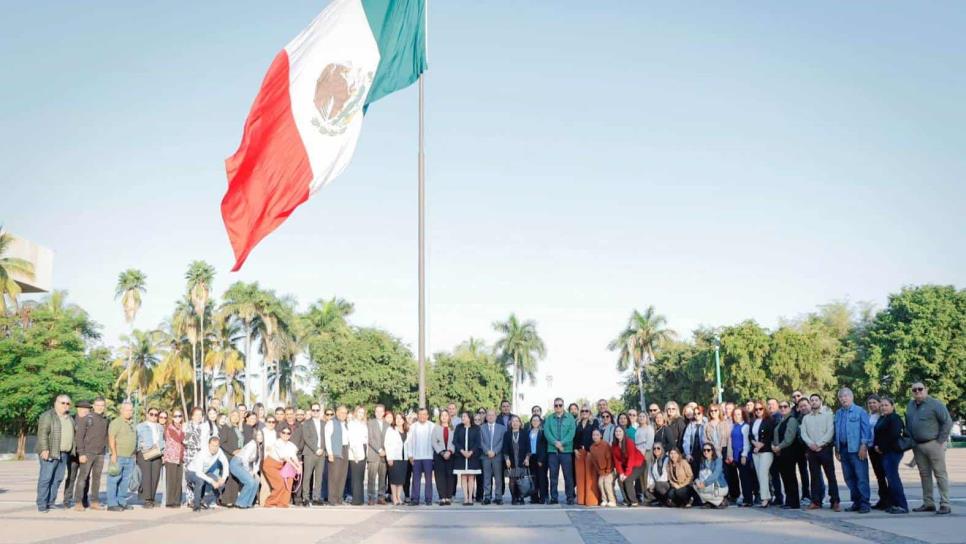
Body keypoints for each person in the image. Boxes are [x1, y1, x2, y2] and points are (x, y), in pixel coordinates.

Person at [906, 382, 953, 515]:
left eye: (920, 389)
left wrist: (940, 441)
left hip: (934, 443)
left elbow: (947, 422)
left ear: (926, 389)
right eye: (914, 389)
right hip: (918, 445)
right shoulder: (910, 405)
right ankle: (928, 503)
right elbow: (908, 423)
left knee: (940, 474)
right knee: (924, 475)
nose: (917, 391)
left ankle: (945, 503)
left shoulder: (935, 404)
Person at [834, 387, 873, 513]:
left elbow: (866, 430)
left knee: (861, 477)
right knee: (849, 477)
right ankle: (856, 502)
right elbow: (837, 432)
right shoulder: (839, 413)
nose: (843, 399)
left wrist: (864, 446)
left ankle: (864, 503)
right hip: (844, 449)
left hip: (857, 449)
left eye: (845, 396)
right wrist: (837, 448)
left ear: (851, 397)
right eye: (841, 397)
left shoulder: (860, 411)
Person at [801, 393, 840, 511]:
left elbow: (830, 431)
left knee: (831, 476)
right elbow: (803, 433)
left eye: (816, 400)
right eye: (811, 400)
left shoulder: (828, 415)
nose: (813, 402)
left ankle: (835, 501)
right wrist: (811, 444)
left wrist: (820, 444)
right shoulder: (806, 418)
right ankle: (816, 501)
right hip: (811, 450)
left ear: (820, 401)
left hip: (825, 449)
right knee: (814, 476)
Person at [35, 395, 74, 513]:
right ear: (56, 403)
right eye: (63, 403)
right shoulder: (48, 416)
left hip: (64, 454)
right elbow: (42, 433)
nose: (65, 405)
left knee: (57, 479)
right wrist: (44, 449)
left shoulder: (69, 418)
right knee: (46, 478)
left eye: (68, 403)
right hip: (51, 452)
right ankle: (42, 504)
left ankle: (50, 502)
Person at [874, 397, 908, 514]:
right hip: (884, 452)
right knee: (890, 478)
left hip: (893, 452)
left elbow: (893, 435)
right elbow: (878, 435)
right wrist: (876, 446)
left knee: (893, 478)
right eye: (882, 405)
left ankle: (902, 505)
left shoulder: (895, 418)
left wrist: (881, 447)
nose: (883, 407)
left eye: (886, 405)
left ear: (892, 406)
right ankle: (893, 503)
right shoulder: (882, 418)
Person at [73, 398, 108, 511]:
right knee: (83, 477)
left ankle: (95, 501)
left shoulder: (105, 420)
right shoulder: (87, 419)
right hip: (87, 453)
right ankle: (78, 502)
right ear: (93, 406)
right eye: (98, 405)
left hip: (100, 454)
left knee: (97, 479)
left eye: (102, 405)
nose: (100, 407)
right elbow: (79, 437)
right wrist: (81, 453)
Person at [545, 397, 577, 505]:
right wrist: (555, 443)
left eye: (560, 405)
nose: (558, 407)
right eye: (556, 405)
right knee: (553, 476)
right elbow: (547, 432)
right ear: (554, 406)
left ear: (563, 406)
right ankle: (554, 497)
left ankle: (570, 497)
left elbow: (571, 433)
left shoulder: (570, 418)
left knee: (568, 476)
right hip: (552, 452)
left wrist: (562, 443)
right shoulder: (549, 418)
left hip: (566, 451)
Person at [106, 401, 136, 512]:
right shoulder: (116, 422)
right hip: (118, 456)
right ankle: (112, 503)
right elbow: (111, 438)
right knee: (113, 479)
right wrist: (114, 453)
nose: (129, 412)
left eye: (131, 410)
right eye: (127, 410)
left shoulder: (131, 423)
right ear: (121, 410)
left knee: (125, 481)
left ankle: (121, 501)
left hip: (129, 457)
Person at [263, 423, 301, 508]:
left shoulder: (291, 445)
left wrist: (299, 467)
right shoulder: (278, 443)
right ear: (280, 434)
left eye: (288, 433)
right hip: (270, 464)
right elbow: (286, 457)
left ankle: (283, 503)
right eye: (284, 432)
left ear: (290, 435)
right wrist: (296, 467)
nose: (285, 435)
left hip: (281, 465)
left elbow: (294, 457)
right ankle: (270, 502)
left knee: (288, 481)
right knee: (279, 484)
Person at [186, 436, 229, 511]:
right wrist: (212, 482)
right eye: (212, 446)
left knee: (219, 481)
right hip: (192, 472)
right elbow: (199, 473)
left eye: (216, 446)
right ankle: (196, 506)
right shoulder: (202, 454)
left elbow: (225, 463)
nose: (214, 448)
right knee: (200, 480)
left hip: (204, 472)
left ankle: (209, 500)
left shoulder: (219, 451)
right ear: (208, 445)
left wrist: (223, 478)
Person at [771, 400, 801, 509]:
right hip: (781, 454)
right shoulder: (781, 420)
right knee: (785, 478)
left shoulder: (791, 420)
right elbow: (776, 435)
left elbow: (789, 438)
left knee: (790, 477)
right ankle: (789, 501)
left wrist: (778, 447)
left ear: (789, 408)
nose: (783, 408)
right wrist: (774, 446)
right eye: (781, 407)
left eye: (785, 406)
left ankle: (794, 502)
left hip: (789, 453)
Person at [135, 407, 164, 508]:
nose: (153, 416)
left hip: (157, 453)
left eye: (156, 415)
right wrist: (137, 451)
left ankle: (152, 498)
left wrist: (162, 450)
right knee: (146, 477)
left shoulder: (160, 427)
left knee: (155, 476)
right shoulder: (140, 426)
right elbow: (136, 440)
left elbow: (162, 440)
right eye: (151, 414)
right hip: (144, 453)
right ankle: (147, 500)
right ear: (147, 414)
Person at [406, 408, 436, 506]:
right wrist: (410, 455)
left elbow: (435, 442)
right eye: (420, 414)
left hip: (428, 457)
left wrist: (434, 456)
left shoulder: (432, 426)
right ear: (418, 416)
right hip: (416, 457)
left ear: (427, 416)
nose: (422, 416)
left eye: (424, 414)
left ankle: (428, 499)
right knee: (415, 479)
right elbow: (409, 442)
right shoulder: (413, 426)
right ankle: (415, 499)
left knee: (428, 479)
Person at [183, 407, 212, 506]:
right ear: (192, 416)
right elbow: (184, 441)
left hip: (201, 456)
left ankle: (199, 498)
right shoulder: (186, 426)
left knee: (201, 477)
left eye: (201, 415)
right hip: (190, 456)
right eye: (197, 414)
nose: (199, 417)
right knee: (190, 479)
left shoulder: (204, 427)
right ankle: (190, 500)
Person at [299, 403, 326, 506]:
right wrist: (316, 449)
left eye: (317, 410)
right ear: (311, 411)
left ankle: (316, 497)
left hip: (321, 454)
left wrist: (322, 449)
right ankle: (305, 498)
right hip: (310, 453)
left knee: (319, 477)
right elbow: (307, 438)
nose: (315, 412)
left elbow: (326, 438)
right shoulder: (306, 423)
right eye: (313, 410)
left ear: (320, 411)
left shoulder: (324, 423)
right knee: (307, 476)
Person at [750, 400, 775, 508]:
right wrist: (755, 444)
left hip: (766, 451)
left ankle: (765, 498)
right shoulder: (753, 421)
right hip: (755, 451)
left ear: (764, 409)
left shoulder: (769, 421)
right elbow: (750, 435)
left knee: (762, 473)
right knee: (760, 475)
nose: (758, 411)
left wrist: (761, 445)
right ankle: (768, 495)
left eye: (760, 409)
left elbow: (770, 436)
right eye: (756, 409)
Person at [866, 395, 889, 510]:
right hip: (871, 448)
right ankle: (883, 499)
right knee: (879, 475)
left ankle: (890, 500)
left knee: (886, 474)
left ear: (879, 403)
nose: (872, 405)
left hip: (881, 448)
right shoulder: (869, 416)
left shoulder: (883, 416)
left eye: (874, 402)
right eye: (870, 403)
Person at [452, 412, 481, 505]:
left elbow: (478, 442)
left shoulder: (476, 428)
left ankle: (470, 498)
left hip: (473, 456)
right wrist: (462, 451)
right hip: (461, 456)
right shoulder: (458, 427)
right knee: (463, 477)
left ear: (469, 418)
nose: (463, 418)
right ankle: (465, 498)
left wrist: (471, 452)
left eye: (464, 416)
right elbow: (455, 441)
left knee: (471, 476)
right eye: (462, 416)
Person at [612, 426, 645, 507]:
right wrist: (621, 473)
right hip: (626, 465)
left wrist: (626, 474)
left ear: (623, 433)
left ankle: (634, 501)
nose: (618, 433)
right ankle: (627, 500)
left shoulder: (629, 442)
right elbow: (617, 461)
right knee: (620, 480)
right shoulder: (614, 444)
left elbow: (631, 458)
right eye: (616, 431)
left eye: (620, 431)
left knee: (628, 479)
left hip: (638, 464)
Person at [574, 404, 600, 506]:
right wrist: (575, 449)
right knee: (580, 477)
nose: (584, 413)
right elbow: (574, 437)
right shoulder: (577, 423)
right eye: (582, 411)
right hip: (579, 452)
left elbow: (596, 436)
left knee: (590, 477)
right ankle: (581, 499)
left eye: (586, 411)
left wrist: (591, 449)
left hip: (590, 451)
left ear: (590, 412)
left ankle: (591, 500)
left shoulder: (594, 422)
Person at [230, 428, 262, 509]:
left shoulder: (259, 446)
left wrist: (254, 472)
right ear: (255, 436)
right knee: (250, 481)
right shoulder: (252, 444)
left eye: (261, 435)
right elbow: (245, 459)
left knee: (257, 480)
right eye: (258, 435)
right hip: (236, 463)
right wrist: (249, 472)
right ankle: (240, 503)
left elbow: (256, 462)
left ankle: (248, 503)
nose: (260, 437)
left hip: (244, 465)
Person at [216, 409, 243, 507]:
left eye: (237, 416)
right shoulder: (226, 428)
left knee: (235, 478)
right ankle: (226, 500)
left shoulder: (237, 429)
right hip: (228, 456)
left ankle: (234, 499)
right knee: (228, 479)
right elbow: (222, 443)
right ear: (230, 417)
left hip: (237, 457)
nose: (235, 417)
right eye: (233, 415)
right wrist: (232, 451)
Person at [479, 408, 506, 505]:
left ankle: (498, 497)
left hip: (497, 456)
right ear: (486, 417)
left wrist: (495, 451)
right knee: (486, 477)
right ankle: (487, 497)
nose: (490, 417)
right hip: (485, 456)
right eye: (488, 415)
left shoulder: (502, 428)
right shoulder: (481, 428)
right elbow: (481, 442)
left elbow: (502, 442)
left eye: (492, 415)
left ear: (495, 416)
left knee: (498, 478)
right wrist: (487, 451)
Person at [325, 405, 350, 505]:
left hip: (344, 449)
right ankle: (332, 499)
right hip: (335, 451)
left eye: (345, 413)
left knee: (342, 475)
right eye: (341, 412)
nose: (343, 414)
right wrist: (330, 453)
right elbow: (327, 438)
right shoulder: (331, 423)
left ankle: (339, 498)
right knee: (334, 476)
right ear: (337, 412)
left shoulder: (346, 424)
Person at [502, 415, 529, 505]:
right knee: (512, 480)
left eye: (517, 421)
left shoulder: (524, 433)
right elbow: (505, 448)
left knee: (521, 480)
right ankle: (514, 497)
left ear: (520, 423)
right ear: (510, 423)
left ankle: (521, 497)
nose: (515, 423)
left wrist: (527, 458)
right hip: (511, 461)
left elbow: (528, 448)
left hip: (522, 460)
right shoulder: (507, 434)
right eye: (513, 421)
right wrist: (507, 459)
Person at [367, 404, 390, 505]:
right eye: (377, 411)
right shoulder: (370, 423)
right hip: (373, 454)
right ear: (375, 412)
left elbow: (389, 440)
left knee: (382, 477)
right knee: (371, 477)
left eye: (381, 411)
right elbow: (370, 439)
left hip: (384, 456)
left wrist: (385, 451)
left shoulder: (388, 424)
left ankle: (381, 497)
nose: (379, 413)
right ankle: (371, 497)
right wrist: (379, 450)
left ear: (384, 412)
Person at [693, 443, 729, 508]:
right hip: (707, 485)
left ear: (712, 451)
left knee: (707, 485)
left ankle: (719, 501)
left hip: (718, 485)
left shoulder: (718, 460)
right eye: (704, 450)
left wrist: (704, 483)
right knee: (695, 485)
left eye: (708, 450)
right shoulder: (703, 461)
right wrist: (698, 481)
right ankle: (715, 502)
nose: (706, 452)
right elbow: (700, 475)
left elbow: (715, 475)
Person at [432, 409, 456, 505]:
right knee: (440, 476)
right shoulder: (436, 428)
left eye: (446, 415)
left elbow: (455, 442)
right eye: (442, 415)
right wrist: (442, 452)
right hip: (439, 455)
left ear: (449, 417)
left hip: (451, 455)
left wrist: (449, 452)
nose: (444, 417)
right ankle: (442, 497)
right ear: (440, 417)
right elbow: (434, 442)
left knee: (450, 476)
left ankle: (448, 497)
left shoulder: (453, 428)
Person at [162, 409, 185, 508]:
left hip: (180, 457)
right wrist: (184, 431)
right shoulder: (170, 428)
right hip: (171, 457)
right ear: (172, 417)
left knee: (178, 480)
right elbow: (179, 438)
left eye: (179, 416)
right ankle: (170, 501)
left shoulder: (182, 427)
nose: (177, 418)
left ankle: (177, 500)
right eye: (175, 416)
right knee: (171, 480)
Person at [347, 405, 369, 505]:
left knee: (361, 476)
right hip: (355, 451)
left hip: (363, 449)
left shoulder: (363, 424)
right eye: (359, 412)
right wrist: (355, 454)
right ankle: (356, 499)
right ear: (356, 413)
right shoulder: (352, 424)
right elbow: (352, 440)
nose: (361, 414)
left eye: (362, 413)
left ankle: (360, 499)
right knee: (355, 476)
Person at [386, 411, 408, 505]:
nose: (399, 420)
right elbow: (387, 444)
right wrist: (389, 457)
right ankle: (394, 497)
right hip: (394, 457)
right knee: (394, 479)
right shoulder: (391, 430)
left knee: (401, 480)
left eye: (401, 418)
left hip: (404, 458)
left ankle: (399, 497)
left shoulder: (407, 430)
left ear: (404, 420)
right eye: (397, 418)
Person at [589, 429, 615, 507]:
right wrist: (599, 471)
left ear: (601, 436)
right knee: (600, 483)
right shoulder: (592, 447)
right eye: (593, 435)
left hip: (610, 469)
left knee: (607, 482)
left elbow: (609, 458)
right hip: (601, 471)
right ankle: (604, 500)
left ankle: (612, 500)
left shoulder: (605, 445)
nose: (595, 437)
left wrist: (608, 470)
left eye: (597, 435)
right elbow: (594, 461)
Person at [527, 415, 549, 504]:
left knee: (541, 478)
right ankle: (534, 498)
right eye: (533, 420)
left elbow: (544, 447)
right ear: (531, 422)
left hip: (540, 458)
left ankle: (542, 498)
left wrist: (541, 459)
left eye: (537, 420)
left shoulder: (543, 432)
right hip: (531, 457)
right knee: (533, 479)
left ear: (540, 422)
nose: (535, 422)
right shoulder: (528, 432)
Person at [634, 411, 654, 501]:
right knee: (639, 475)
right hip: (637, 450)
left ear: (646, 418)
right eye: (640, 416)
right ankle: (641, 494)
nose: (641, 418)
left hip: (646, 451)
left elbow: (649, 442)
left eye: (643, 416)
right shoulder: (638, 428)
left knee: (645, 473)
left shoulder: (649, 428)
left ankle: (647, 496)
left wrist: (644, 451)